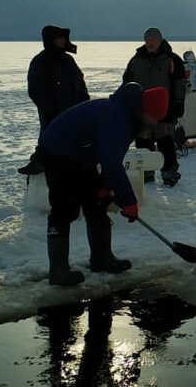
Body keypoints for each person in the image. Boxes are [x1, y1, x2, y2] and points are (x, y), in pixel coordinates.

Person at [37, 82, 170, 285]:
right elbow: (110, 163)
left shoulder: (126, 116)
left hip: (80, 154)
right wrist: (129, 201)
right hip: (58, 152)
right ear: (144, 110)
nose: (153, 123)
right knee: (64, 208)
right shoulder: (118, 117)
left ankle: (101, 259)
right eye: (153, 118)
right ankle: (58, 271)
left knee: (97, 201)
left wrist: (105, 187)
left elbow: (110, 156)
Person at [18, 25, 89, 175]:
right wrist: (50, 110)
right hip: (53, 113)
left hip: (75, 110)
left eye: (64, 38)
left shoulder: (68, 60)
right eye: (60, 38)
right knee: (47, 141)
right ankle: (38, 165)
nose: (64, 40)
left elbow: (79, 82)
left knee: (75, 143)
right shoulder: (40, 61)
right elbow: (35, 90)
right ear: (52, 40)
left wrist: (85, 103)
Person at [123, 27, 187, 187]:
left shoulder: (172, 59)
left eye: (153, 40)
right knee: (143, 143)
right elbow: (127, 84)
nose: (150, 43)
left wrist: (178, 102)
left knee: (166, 144)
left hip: (165, 110)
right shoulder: (136, 60)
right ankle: (146, 173)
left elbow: (180, 83)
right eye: (147, 40)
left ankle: (170, 173)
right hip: (143, 111)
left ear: (160, 40)